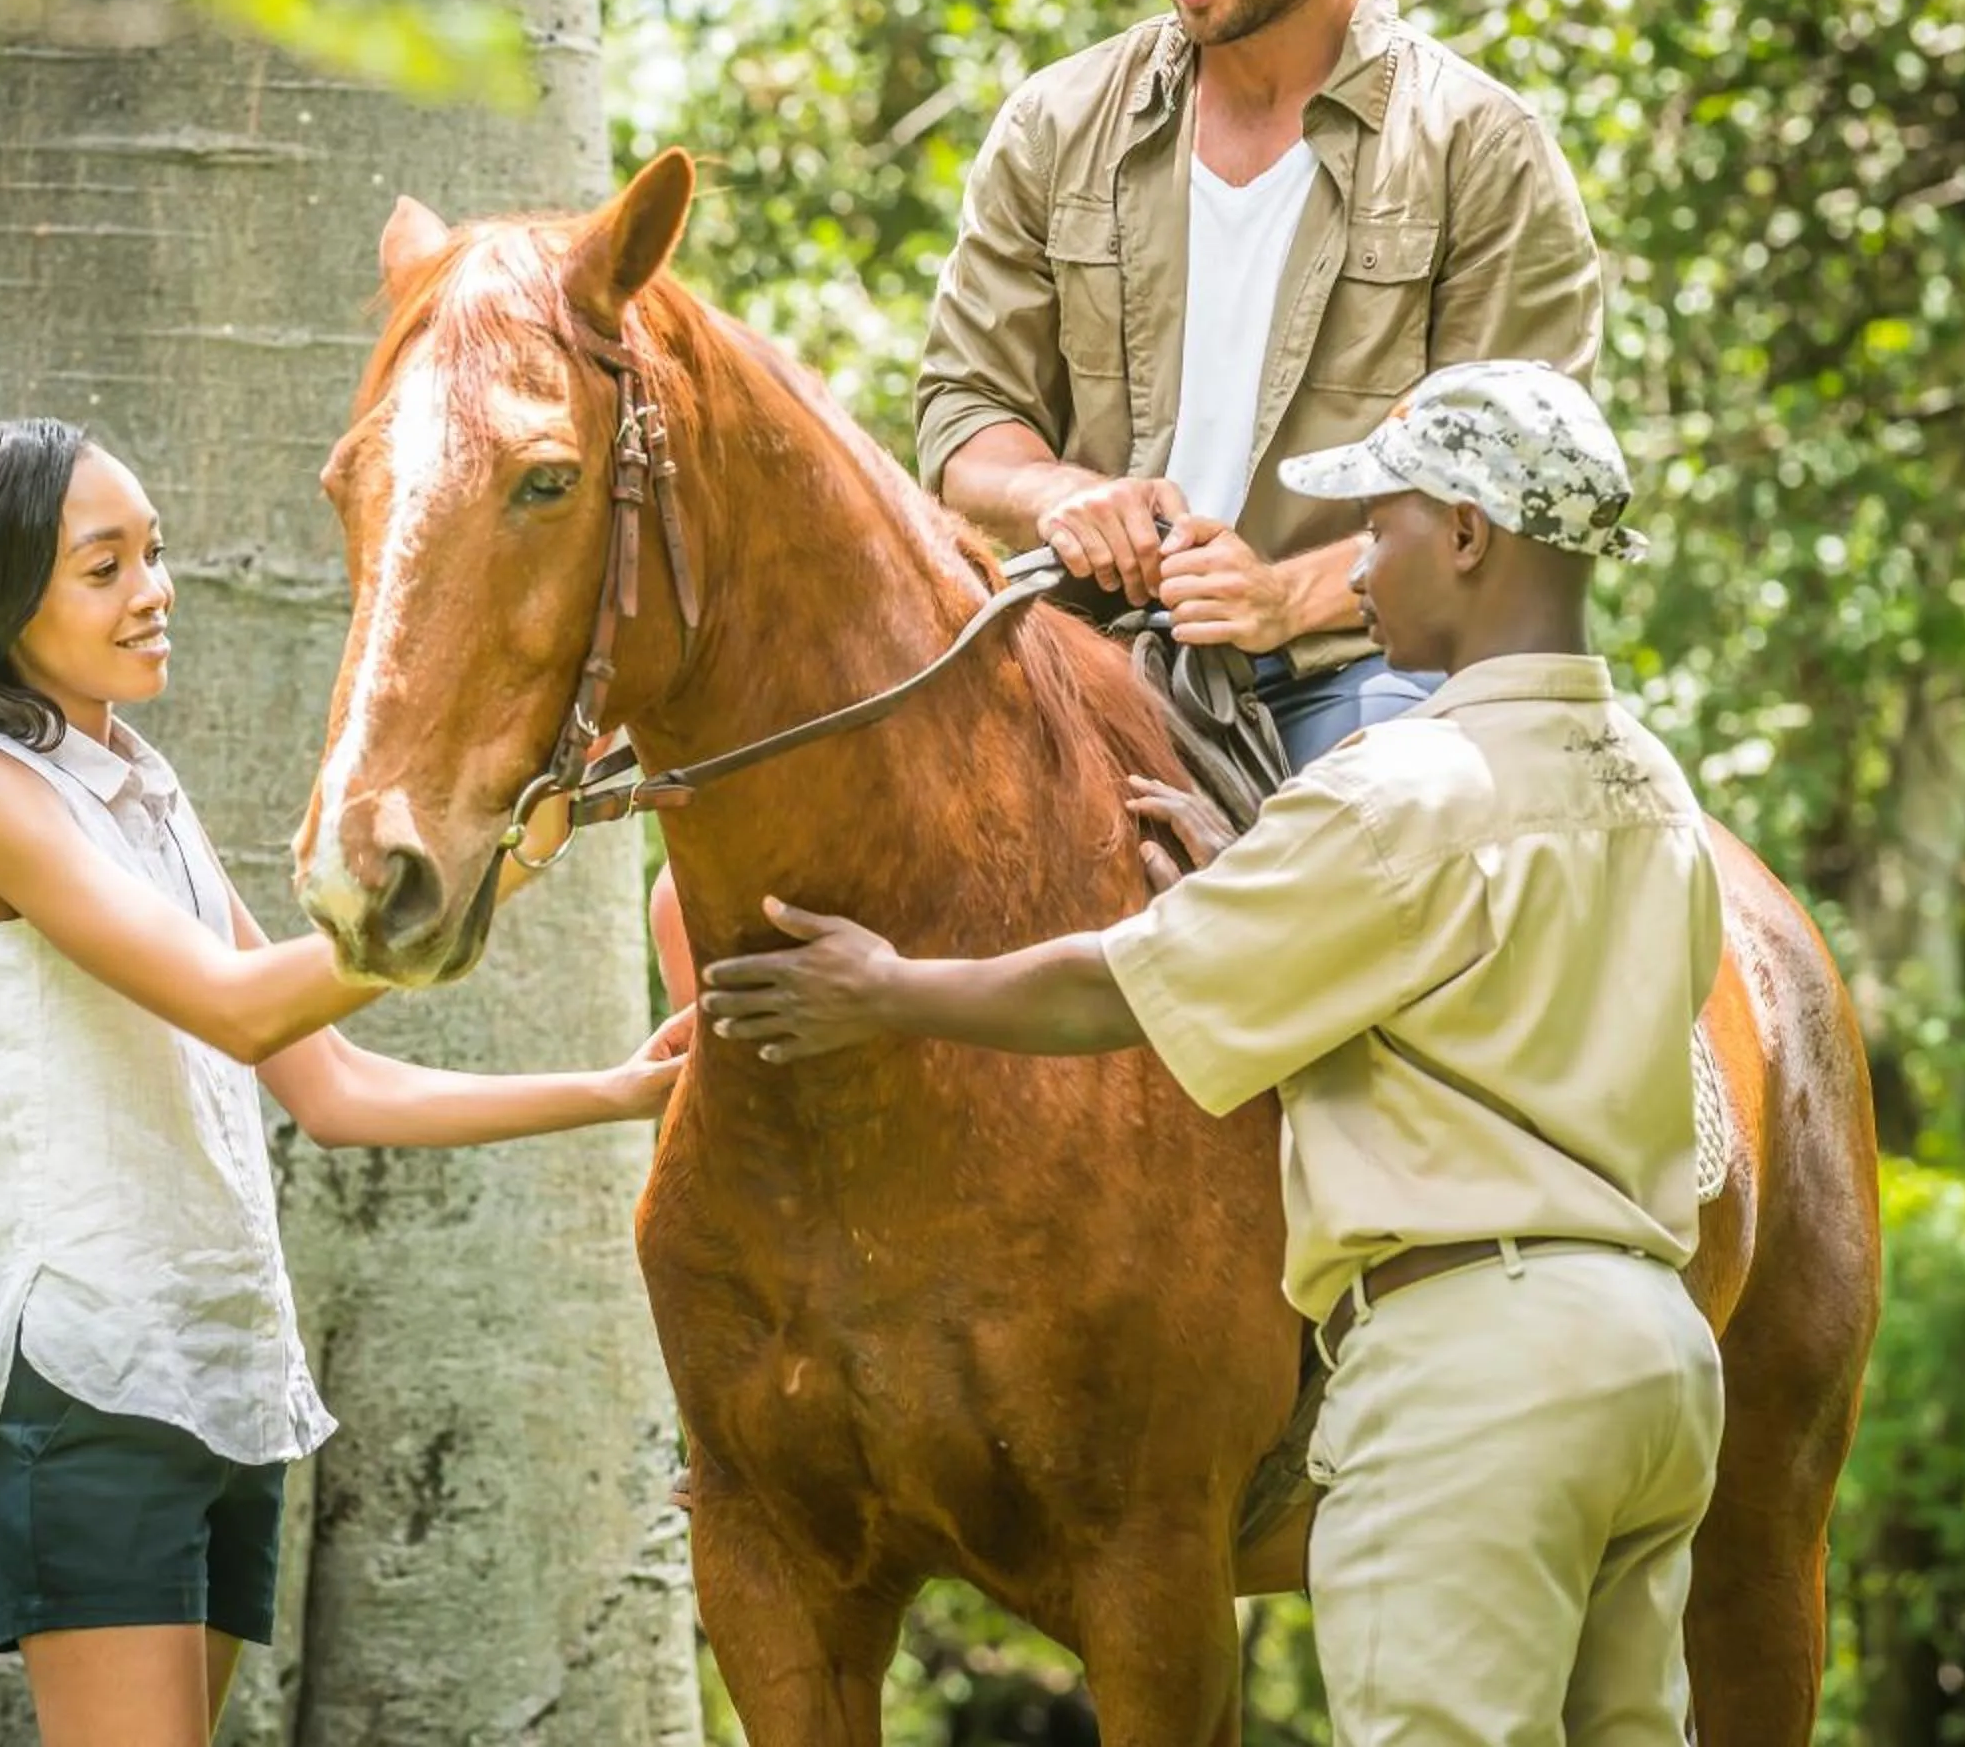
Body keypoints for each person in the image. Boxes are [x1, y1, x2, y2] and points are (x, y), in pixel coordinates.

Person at [701, 359, 1725, 1744]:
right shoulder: (1655, 786)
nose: (1358, 566)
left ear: (1471, 534)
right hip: (1657, 1360)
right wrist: (1269, 880)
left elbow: (1116, 990)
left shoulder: (1398, 789)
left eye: (1384, 524)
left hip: (1478, 1376)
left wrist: (886, 987)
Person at [0, 417, 687, 1747]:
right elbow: (237, 1006)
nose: (154, 590)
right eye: (101, 567)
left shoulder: (139, 789)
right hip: (87, 1378)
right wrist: (481, 873)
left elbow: (333, 1086)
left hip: (220, 1374)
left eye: (152, 555)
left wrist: (615, 1090)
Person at [914, 0, 1604, 769]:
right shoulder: (1057, 127)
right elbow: (962, 418)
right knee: (719, 894)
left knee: (1380, 884)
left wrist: (1282, 597)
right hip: (1078, 655)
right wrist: (1062, 496)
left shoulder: (1476, 148)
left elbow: (1517, 501)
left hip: (1360, 669)